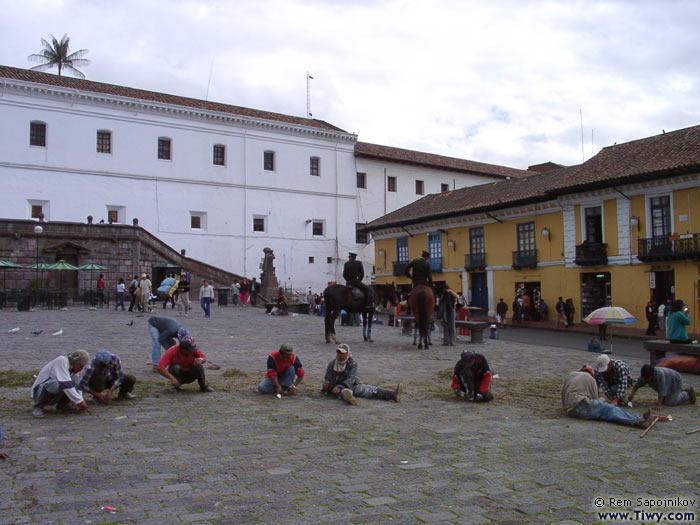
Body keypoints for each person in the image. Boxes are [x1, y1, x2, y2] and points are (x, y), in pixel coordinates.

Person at [561, 365, 650, 428]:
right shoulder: (590, 378)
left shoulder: (571, 375)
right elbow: (594, 399)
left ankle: (637, 418)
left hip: (569, 408)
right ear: (591, 373)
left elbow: (563, 392)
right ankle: (637, 420)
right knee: (609, 409)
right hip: (580, 406)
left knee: (605, 408)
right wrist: (604, 402)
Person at [321, 344, 403, 405]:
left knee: (370, 390)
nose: (339, 355)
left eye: (342, 353)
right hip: (336, 387)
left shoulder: (352, 363)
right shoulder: (332, 364)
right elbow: (327, 378)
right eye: (338, 353)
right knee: (343, 393)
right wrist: (327, 385)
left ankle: (393, 395)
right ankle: (350, 399)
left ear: (347, 354)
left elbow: (351, 379)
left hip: (352, 384)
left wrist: (340, 386)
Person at [31, 350, 90, 418]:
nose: (81, 368)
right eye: (81, 366)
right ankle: (38, 406)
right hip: (39, 392)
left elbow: (78, 386)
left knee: (74, 381)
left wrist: (81, 400)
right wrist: (79, 401)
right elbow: (65, 384)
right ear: (75, 363)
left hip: (54, 395)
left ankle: (62, 406)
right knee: (56, 384)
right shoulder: (62, 360)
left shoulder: (73, 369)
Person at [629, 364, 696, 407]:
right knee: (665, 400)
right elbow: (636, 386)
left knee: (671, 402)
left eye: (648, 379)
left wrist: (659, 405)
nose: (646, 381)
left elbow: (662, 390)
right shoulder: (644, 377)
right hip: (667, 381)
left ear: (652, 374)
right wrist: (632, 394)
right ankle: (674, 394)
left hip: (675, 380)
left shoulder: (659, 375)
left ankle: (687, 394)